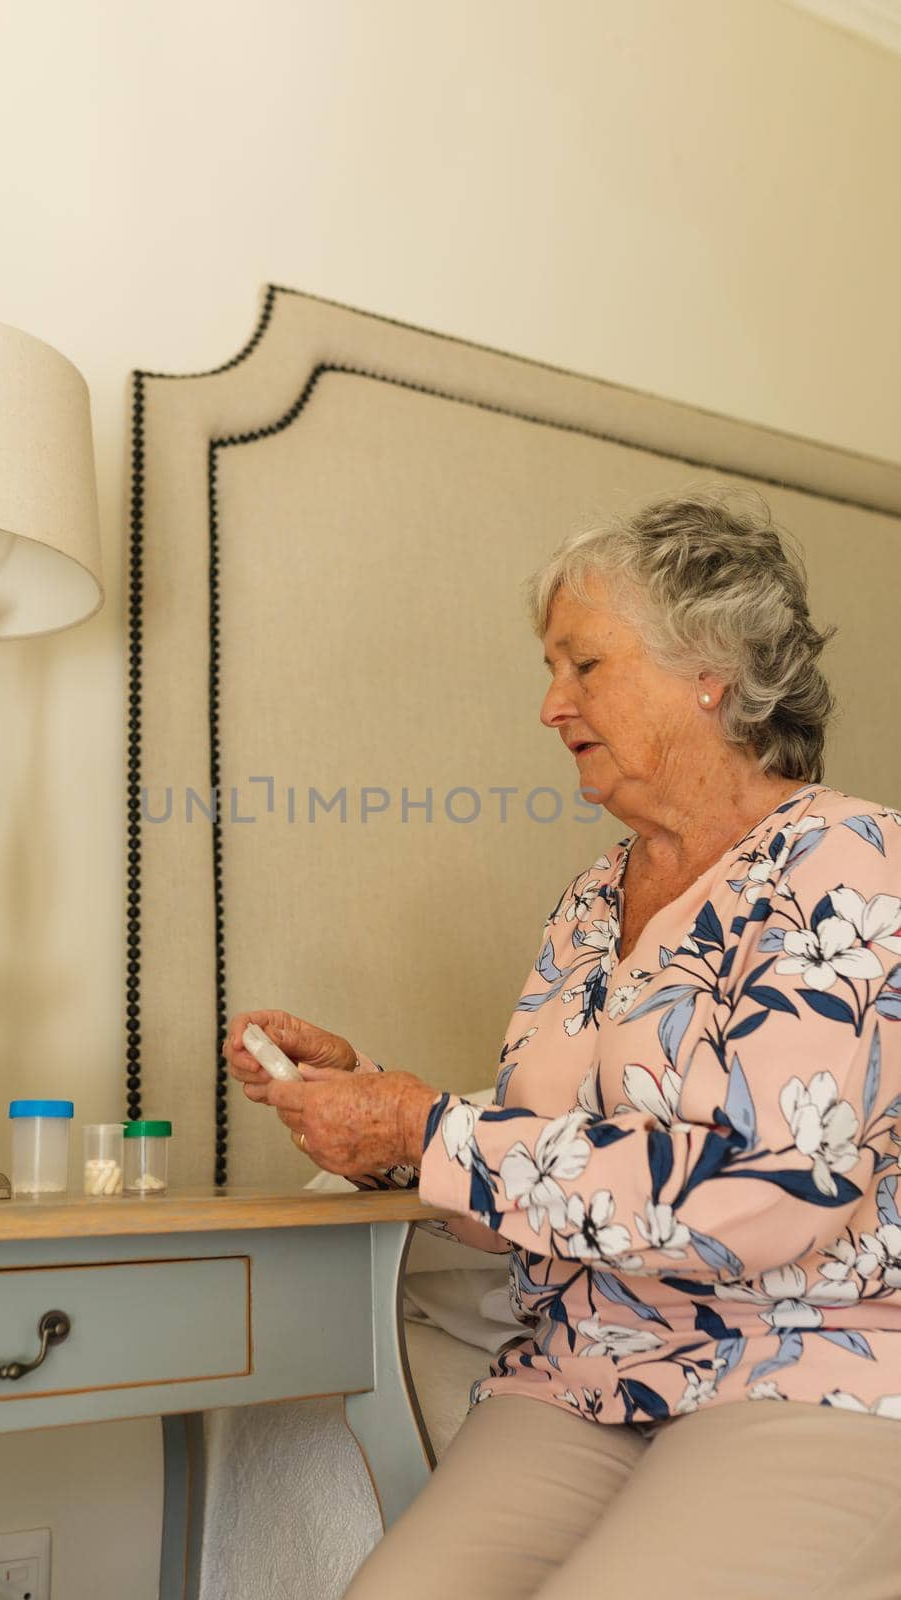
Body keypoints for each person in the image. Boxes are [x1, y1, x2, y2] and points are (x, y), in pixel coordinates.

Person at [224, 489, 901, 1599]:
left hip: (807, 1364)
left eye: (581, 665)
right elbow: (540, 1170)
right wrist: (375, 1132)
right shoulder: (589, 900)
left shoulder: (845, 863)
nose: (550, 705)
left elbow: (776, 1192)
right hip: (580, 1375)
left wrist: (425, 1124)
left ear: (709, 669)